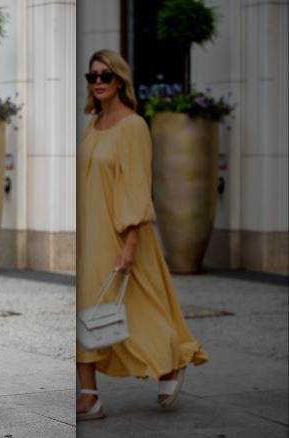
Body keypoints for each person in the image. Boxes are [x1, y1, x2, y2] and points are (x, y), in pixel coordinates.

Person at [76, 49, 208, 421]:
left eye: (105, 76)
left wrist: (131, 242)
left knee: (134, 306)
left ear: (120, 80)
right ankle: (89, 394)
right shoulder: (93, 124)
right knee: (85, 308)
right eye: (92, 77)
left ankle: (169, 361)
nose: (98, 82)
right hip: (91, 232)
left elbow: (137, 187)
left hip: (119, 232)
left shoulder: (133, 126)